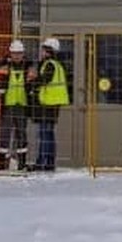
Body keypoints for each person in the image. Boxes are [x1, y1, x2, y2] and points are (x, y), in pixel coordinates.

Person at [0, 39, 34, 171]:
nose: (17, 56)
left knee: (22, 135)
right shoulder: (2, 66)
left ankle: (22, 164)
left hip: (22, 106)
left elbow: (34, 83)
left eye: (19, 53)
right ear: (10, 53)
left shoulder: (29, 66)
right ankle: (1, 163)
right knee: (4, 135)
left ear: (23, 53)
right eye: (14, 53)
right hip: (6, 106)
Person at [31, 37, 70, 172]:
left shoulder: (49, 65)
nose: (41, 52)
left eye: (43, 50)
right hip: (54, 104)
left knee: (44, 134)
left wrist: (30, 83)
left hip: (48, 104)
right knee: (49, 134)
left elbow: (43, 80)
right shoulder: (58, 64)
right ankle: (49, 163)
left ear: (49, 51)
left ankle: (41, 162)